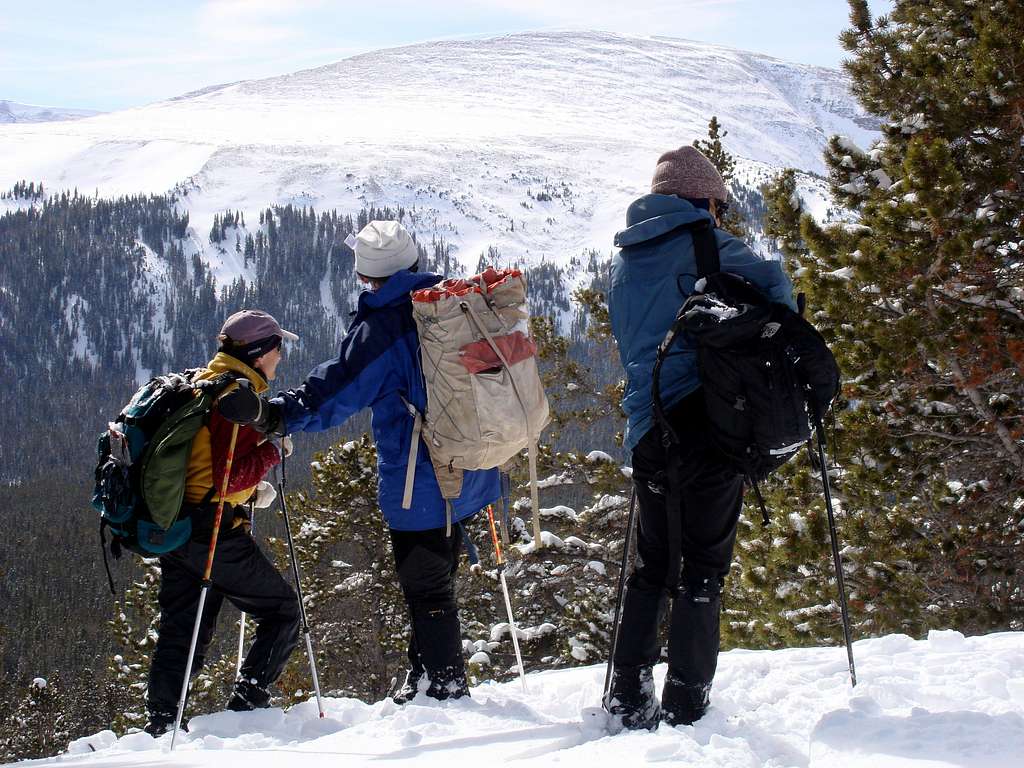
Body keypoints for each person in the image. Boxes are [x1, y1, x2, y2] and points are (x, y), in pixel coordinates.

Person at [219, 220, 500, 703]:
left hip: (422, 479)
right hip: (475, 465)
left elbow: (335, 393)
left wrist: (274, 414)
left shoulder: (385, 326)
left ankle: (447, 690)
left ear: (368, 279)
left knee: (426, 586)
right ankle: (427, 680)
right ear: (415, 262)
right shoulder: (453, 303)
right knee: (439, 579)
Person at [605, 146, 797, 729]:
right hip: (708, 424)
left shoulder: (625, 259)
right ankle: (687, 700)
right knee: (703, 567)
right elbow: (779, 297)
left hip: (647, 427)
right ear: (703, 201)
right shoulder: (708, 245)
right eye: (716, 203)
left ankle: (628, 694)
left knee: (652, 565)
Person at [144, 310, 301, 736]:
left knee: (185, 628)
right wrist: (274, 451)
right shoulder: (238, 398)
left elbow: (204, 467)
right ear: (261, 352)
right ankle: (247, 705)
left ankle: (161, 725)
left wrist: (248, 492)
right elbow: (228, 477)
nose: (280, 357)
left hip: (175, 527)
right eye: (278, 348)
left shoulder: (203, 383)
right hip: (212, 531)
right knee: (284, 612)